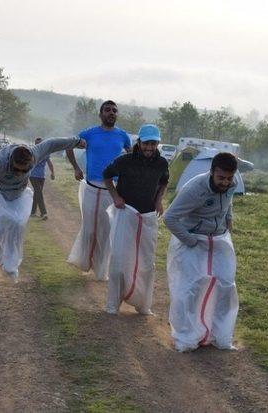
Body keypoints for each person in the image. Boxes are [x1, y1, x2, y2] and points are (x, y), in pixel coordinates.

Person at [0, 136, 86, 280]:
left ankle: (10, 263)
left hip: (18, 193)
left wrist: (76, 141)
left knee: (17, 223)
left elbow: (52, 144)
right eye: (17, 170)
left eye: (25, 171)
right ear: (11, 163)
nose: (20, 174)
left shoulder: (34, 153)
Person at [163, 152, 239, 352]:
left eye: (229, 178)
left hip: (220, 240)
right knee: (190, 288)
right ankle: (186, 337)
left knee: (226, 285)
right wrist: (190, 240)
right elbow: (169, 218)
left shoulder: (232, 184)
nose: (225, 182)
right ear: (212, 172)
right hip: (194, 241)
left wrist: (228, 223)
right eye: (221, 177)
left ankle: (220, 336)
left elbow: (228, 202)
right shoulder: (195, 189)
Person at [102, 124, 169, 315]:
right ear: (139, 142)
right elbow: (107, 175)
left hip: (148, 215)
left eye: (153, 143)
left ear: (157, 143)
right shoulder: (125, 160)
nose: (150, 147)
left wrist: (158, 200)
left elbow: (164, 181)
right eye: (146, 143)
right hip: (126, 213)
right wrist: (115, 197)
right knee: (120, 260)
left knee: (146, 263)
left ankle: (143, 304)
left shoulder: (162, 163)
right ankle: (113, 304)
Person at [65, 100, 132, 281]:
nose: (111, 113)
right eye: (107, 110)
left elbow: (132, 155)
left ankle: (101, 270)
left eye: (114, 111)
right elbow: (69, 146)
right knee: (90, 230)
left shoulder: (123, 136)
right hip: (92, 187)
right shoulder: (89, 133)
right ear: (101, 114)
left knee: (107, 231)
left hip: (113, 190)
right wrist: (76, 168)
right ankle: (86, 262)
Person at [29, 138, 55, 220]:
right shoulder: (31, 152)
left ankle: (32, 212)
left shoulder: (46, 153)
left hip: (41, 176)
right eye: (37, 143)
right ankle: (44, 213)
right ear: (35, 144)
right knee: (39, 193)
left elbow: (50, 163)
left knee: (37, 194)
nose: (39, 145)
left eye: (40, 143)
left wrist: (52, 173)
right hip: (33, 176)